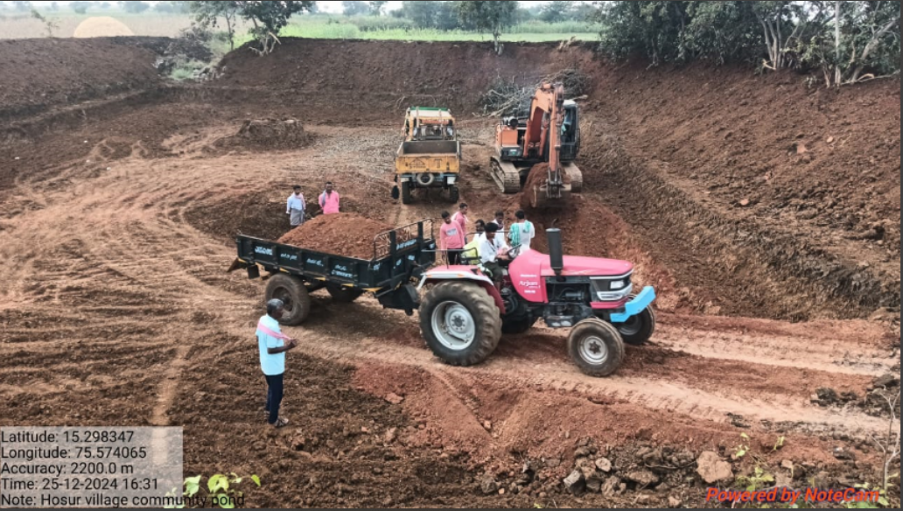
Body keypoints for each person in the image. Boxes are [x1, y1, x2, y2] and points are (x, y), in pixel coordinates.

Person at [256, 299, 299, 429]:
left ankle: (268, 410)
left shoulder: (263, 319)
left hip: (265, 363)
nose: (283, 312)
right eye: (280, 310)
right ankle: (273, 420)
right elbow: (271, 349)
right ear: (274, 312)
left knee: (272, 388)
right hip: (274, 366)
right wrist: (289, 347)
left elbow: (257, 337)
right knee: (278, 393)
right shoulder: (273, 326)